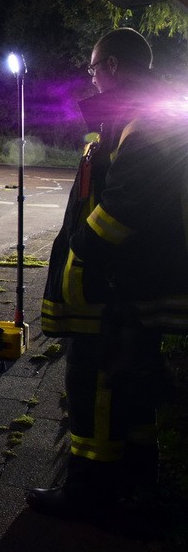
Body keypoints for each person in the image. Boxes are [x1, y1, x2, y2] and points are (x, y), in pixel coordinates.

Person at [28, 28, 188, 522]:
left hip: (119, 285)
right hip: (138, 282)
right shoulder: (152, 113)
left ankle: (89, 493)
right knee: (132, 383)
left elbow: (126, 206)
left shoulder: (144, 122)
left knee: (94, 382)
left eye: (95, 68)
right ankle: (136, 479)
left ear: (115, 66)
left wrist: (83, 251)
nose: (92, 78)